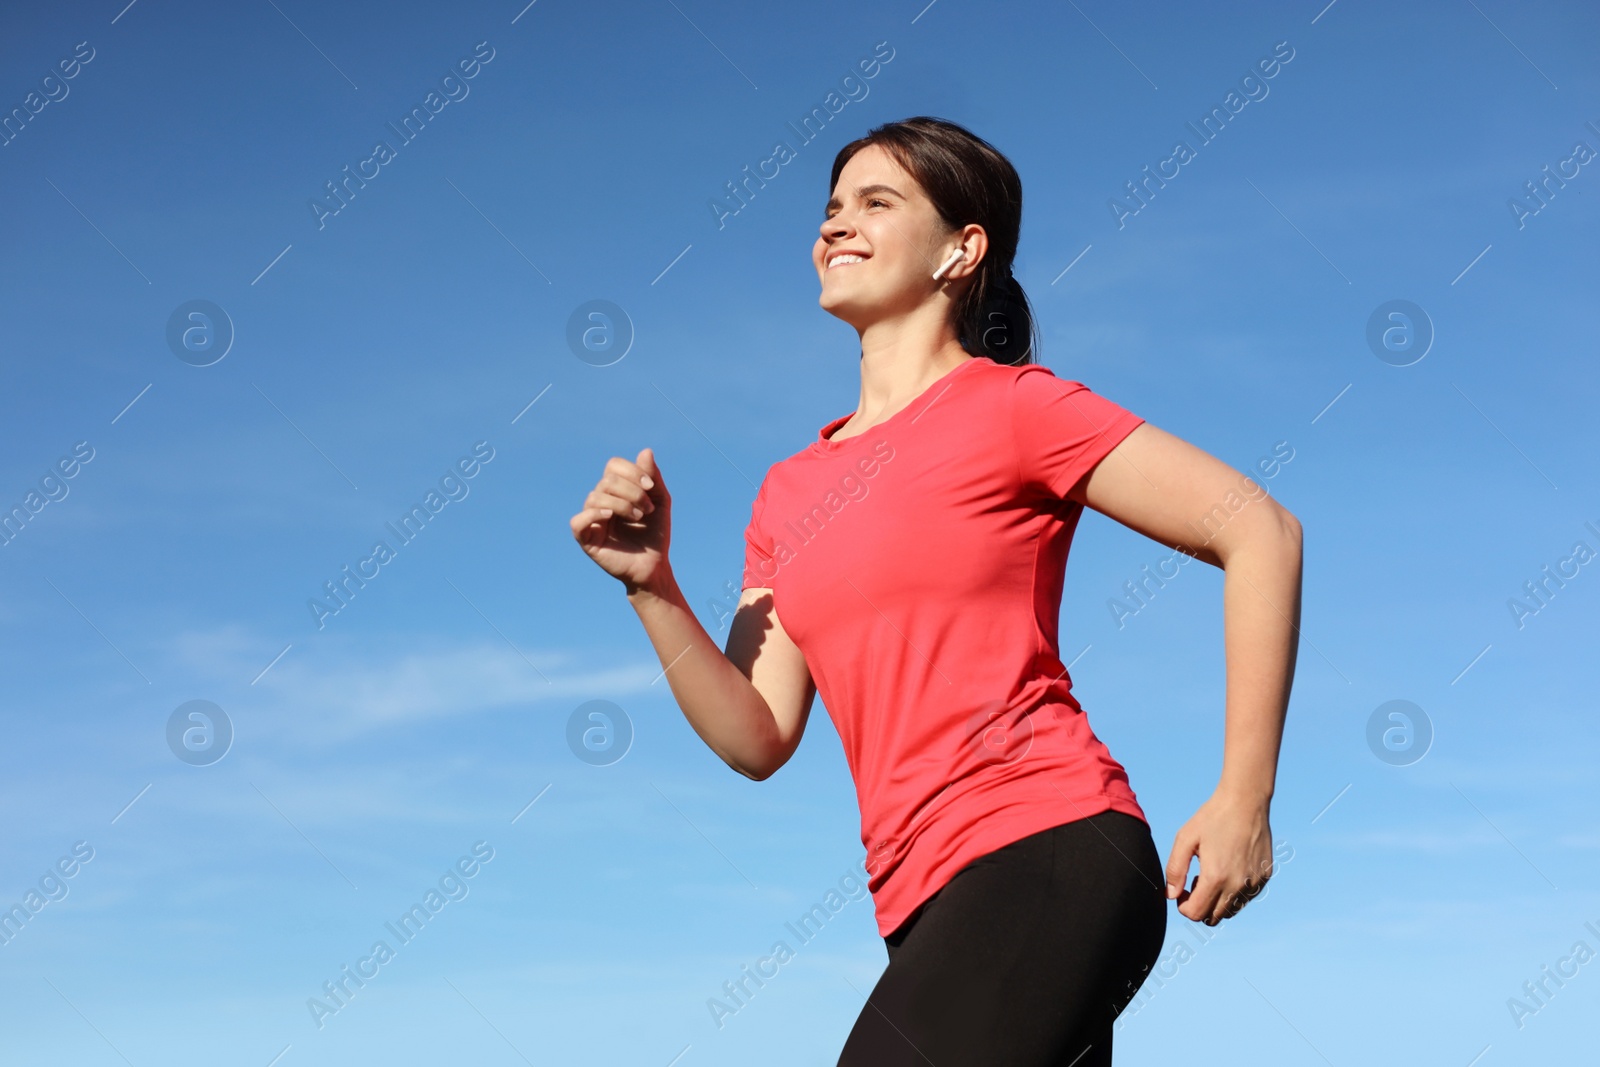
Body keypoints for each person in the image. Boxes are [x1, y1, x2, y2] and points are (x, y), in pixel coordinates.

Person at [570, 116, 1302, 1066]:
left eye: (877, 203)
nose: (837, 224)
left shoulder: (1014, 407)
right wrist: (651, 583)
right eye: (832, 207)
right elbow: (758, 735)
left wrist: (1244, 797)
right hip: (917, 903)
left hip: (1049, 846)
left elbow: (1259, 527)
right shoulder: (787, 492)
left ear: (963, 251)